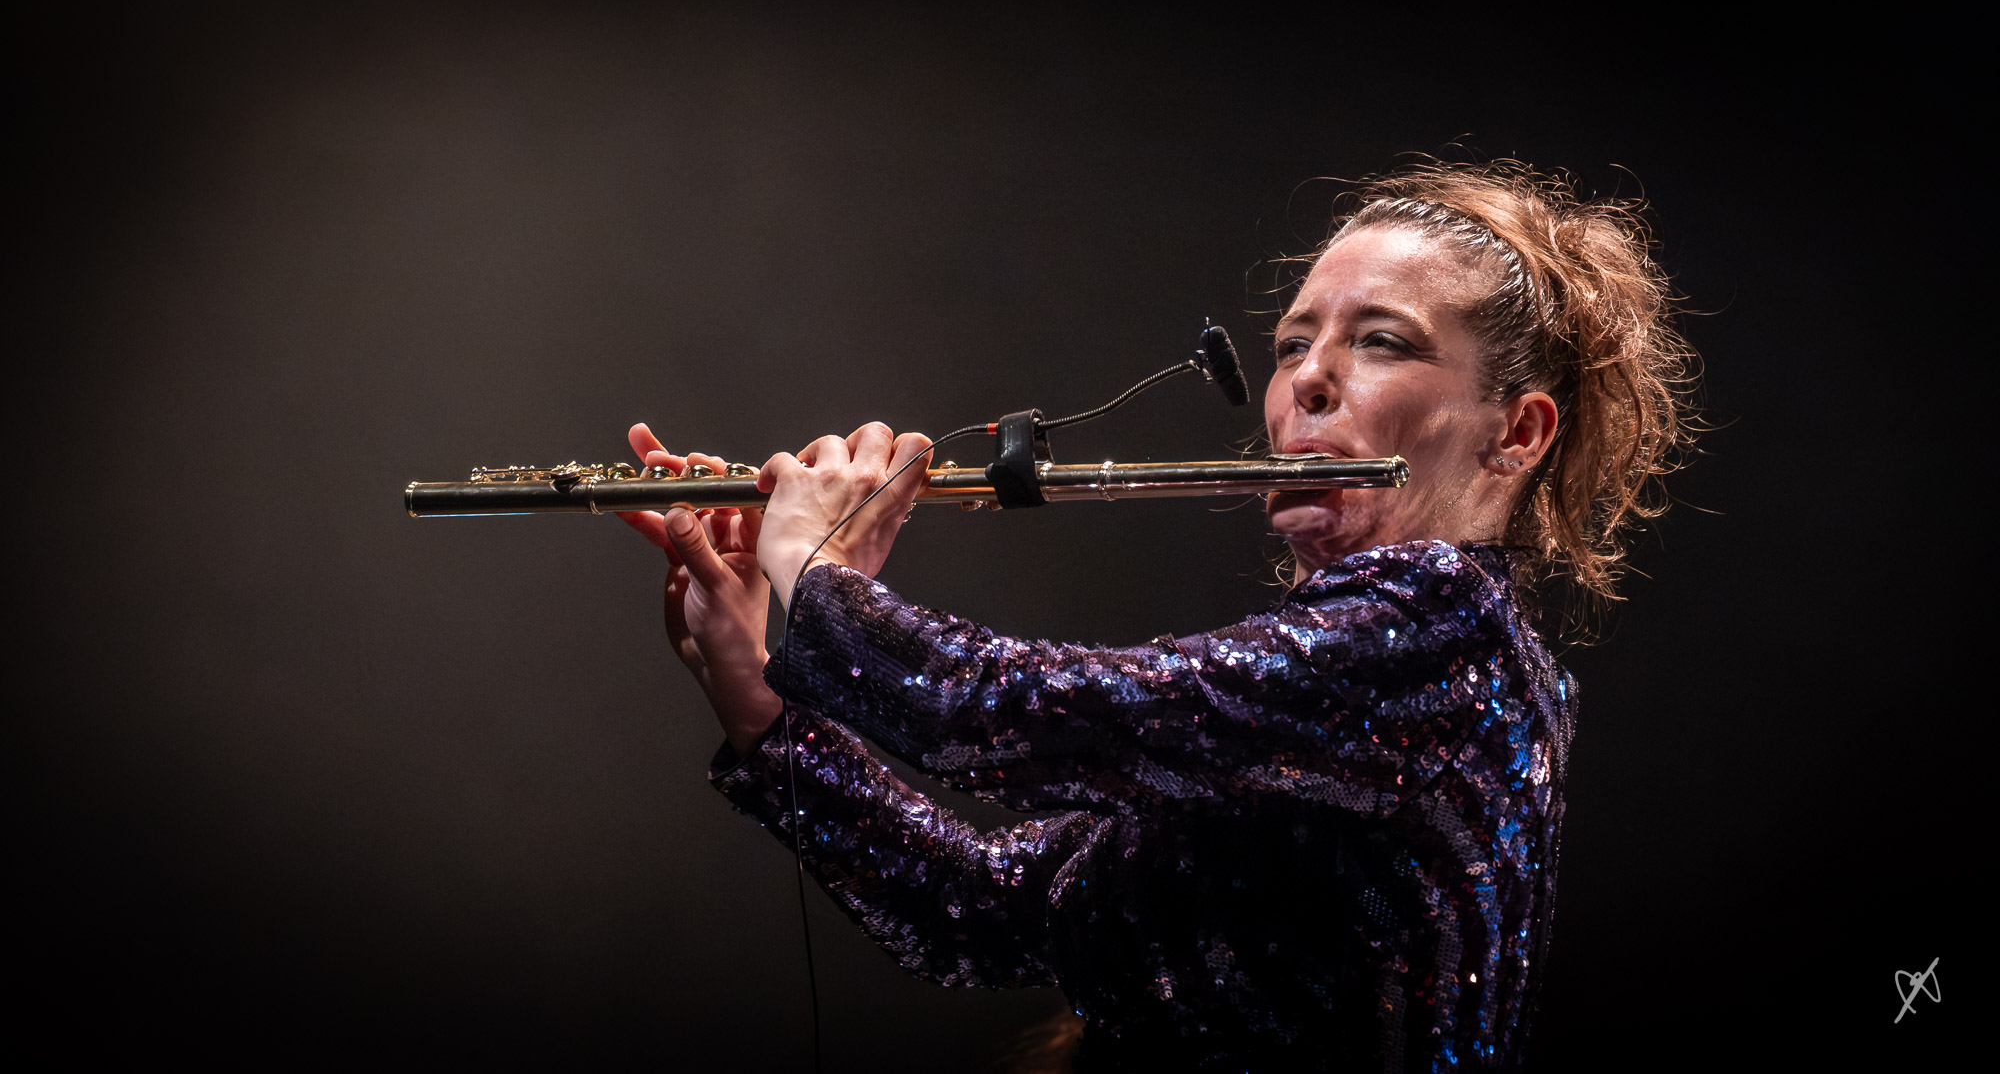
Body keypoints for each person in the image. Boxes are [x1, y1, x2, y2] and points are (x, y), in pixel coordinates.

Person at [618, 162, 1694, 1071]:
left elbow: (1011, 715)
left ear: (1516, 433)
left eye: (1381, 342)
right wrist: (756, 695)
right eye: (1291, 346)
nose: (1308, 381)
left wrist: (817, 577)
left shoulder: (1439, 626)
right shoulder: (1341, 687)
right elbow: (977, 914)